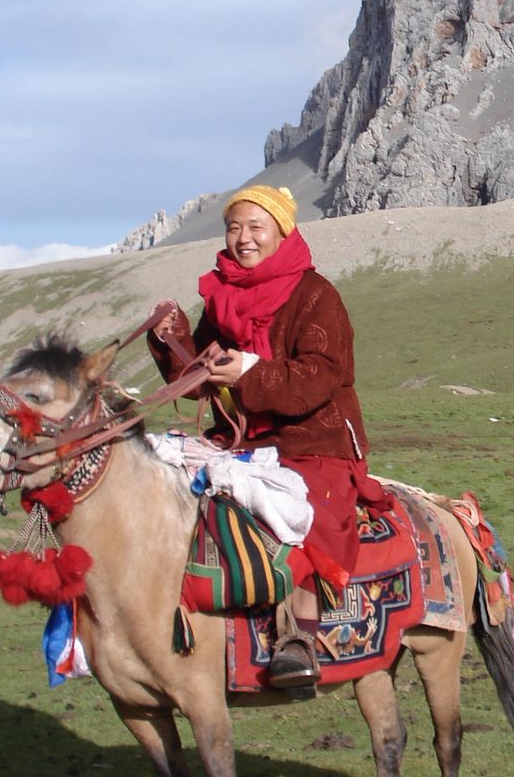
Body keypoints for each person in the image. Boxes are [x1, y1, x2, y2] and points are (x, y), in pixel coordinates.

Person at [147, 184, 383, 688]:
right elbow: (196, 379)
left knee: (306, 515)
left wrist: (249, 374)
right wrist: (172, 339)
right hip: (240, 438)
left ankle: (298, 636)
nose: (243, 239)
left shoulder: (316, 295)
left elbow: (322, 375)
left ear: (282, 230)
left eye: (256, 228)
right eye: (234, 228)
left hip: (313, 439)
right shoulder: (223, 294)